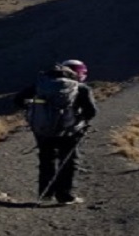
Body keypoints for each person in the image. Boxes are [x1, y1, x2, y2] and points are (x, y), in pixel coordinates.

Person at [15, 59, 98, 205]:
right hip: (70, 131)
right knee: (69, 161)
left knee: (46, 159)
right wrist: (80, 121)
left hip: (43, 131)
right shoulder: (81, 88)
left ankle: (45, 194)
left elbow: (18, 100)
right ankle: (65, 196)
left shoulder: (42, 85)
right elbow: (91, 112)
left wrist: (33, 112)